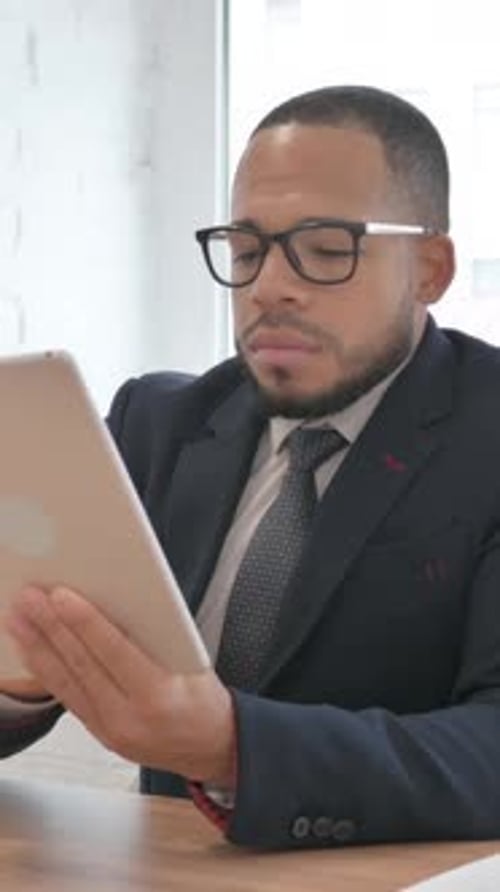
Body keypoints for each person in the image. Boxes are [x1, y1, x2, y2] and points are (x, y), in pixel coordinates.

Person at [3, 84, 500, 851]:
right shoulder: (157, 426)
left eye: (327, 249)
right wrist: (23, 678)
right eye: (245, 250)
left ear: (429, 269)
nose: (269, 285)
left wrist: (232, 746)